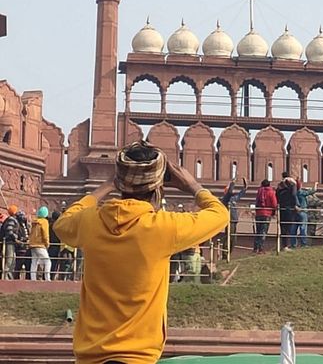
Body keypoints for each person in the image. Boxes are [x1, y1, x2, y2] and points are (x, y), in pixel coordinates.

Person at [53, 140, 228, 364]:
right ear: (157, 189)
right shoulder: (163, 228)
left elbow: (63, 222)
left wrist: (106, 186)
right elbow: (220, 215)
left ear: (120, 184)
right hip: (137, 358)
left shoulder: (90, 223)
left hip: (90, 358)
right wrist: (192, 186)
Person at [220, 177, 248, 253]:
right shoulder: (225, 199)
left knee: (233, 238)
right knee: (228, 237)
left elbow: (242, 193)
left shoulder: (233, 198)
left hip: (234, 220)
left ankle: (229, 253)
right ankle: (225, 254)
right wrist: (233, 182)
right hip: (229, 220)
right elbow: (229, 192)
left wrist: (245, 185)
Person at [276, 172, 298, 251]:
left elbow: (277, 195)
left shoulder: (280, 185)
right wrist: (295, 204)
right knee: (288, 226)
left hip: (282, 207)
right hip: (290, 208)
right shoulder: (292, 184)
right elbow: (293, 194)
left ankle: (283, 245)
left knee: (283, 226)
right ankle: (287, 246)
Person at [254, 179, 278, 254]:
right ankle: (260, 248)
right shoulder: (271, 192)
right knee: (263, 231)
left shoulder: (259, 191)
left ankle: (255, 248)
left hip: (258, 213)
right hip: (267, 213)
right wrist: (274, 211)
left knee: (258, 231)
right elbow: (274, 204)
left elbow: (257, 201)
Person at [291, 181, 318, 248]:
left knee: (294, 228)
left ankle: (293, 243)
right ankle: (303, 243)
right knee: (303, 228)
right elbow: (313, 191)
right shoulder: (301, 192)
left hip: (295, 212)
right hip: (303, 211)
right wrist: (315, 184)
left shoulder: (293, 193)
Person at [28, 206, 51, 281]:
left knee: (34, 262)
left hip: (32, 244)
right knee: (47, 261)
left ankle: (33, 279)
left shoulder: (34, 222)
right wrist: (47, 243)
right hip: (40, 244)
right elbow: (45, 234)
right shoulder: (44, 222)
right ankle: (47, 278)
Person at [1, 205, 20, 280]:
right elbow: (10, 231)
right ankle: (5, 278)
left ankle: (9, 276)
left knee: (12, 261)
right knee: (9, 260)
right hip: (10, 242)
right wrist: (15, 239)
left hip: (10, 242)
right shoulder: (11, 219)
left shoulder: (10, 219)